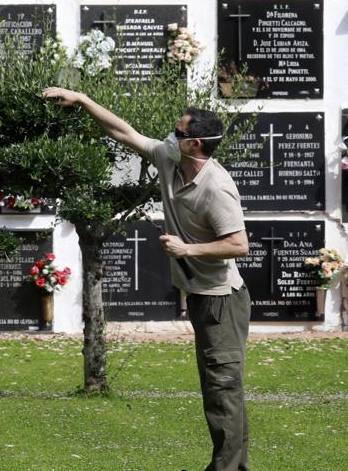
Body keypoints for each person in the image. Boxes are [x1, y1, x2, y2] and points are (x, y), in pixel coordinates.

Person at [43, 86, 251, 471]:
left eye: (178, 132)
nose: (169, 137)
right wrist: (84, 100)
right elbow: (125, 133)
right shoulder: (171, 160)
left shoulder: (217, 188)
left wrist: (188, 250)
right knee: (214, 387)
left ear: (195, 144)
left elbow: (239, 245)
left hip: (222, 299)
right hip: (203, 296)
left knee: (223, 389)